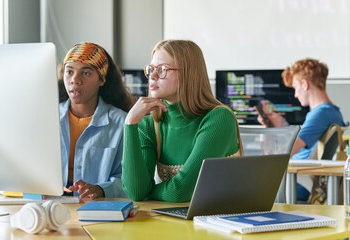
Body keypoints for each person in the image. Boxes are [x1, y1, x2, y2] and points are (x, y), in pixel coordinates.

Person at [121, 40, 242, 203]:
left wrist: (150, 191)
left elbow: (180, 192)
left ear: (189, 73)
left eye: (163, 69)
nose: (153, 76)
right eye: (151, 69)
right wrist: (130, 125)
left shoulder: (219, 118)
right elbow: (136, 192)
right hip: (176, 221)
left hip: (223, 222)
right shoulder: (149, 124)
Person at [258, 58, 345, 201]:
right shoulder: (331, 111)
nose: (295, 94)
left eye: (295, 88)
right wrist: (280, 126)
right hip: (299, 178)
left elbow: (287, 152)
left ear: (305, 84)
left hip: (297, 182)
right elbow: (301, 146)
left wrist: (268, 135)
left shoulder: (320, 114)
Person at [58, 42, 134, 199]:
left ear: (102, 79)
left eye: (86, 73)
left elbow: (129, 180)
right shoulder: (48, 117)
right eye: (69, 72)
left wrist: (101, 189)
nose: (75, 80)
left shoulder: (123, 122)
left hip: (96, 208)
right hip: (51, 206)